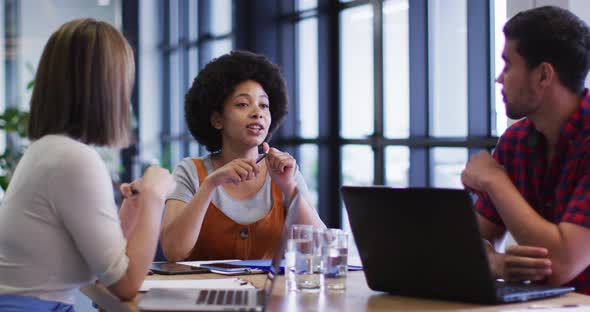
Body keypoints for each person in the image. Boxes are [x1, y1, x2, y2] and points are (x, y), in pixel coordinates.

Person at [0, 18, 176, 310]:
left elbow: (103, 265)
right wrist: (155, 198)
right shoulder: (74, 159)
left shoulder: (47, 151)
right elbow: (125, 283)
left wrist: (132, 213)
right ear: (106, 88)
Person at [461, 6, 590, 294]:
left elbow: (560, 265)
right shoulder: (516, 142)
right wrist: (496, 264)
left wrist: (495, 181)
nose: (499, 78)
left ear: (544, 75)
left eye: (508, 65)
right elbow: (467, 245)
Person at [160, 50, 325, 262]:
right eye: (242, 104)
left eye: (264, 105)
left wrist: (289, 187)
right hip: (205, 293)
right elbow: (173, 252)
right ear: (217, 119)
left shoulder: (284, 171)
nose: (258, 112)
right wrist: (210, 184)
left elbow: (319, 247)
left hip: (269, 294)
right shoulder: (191, 171)